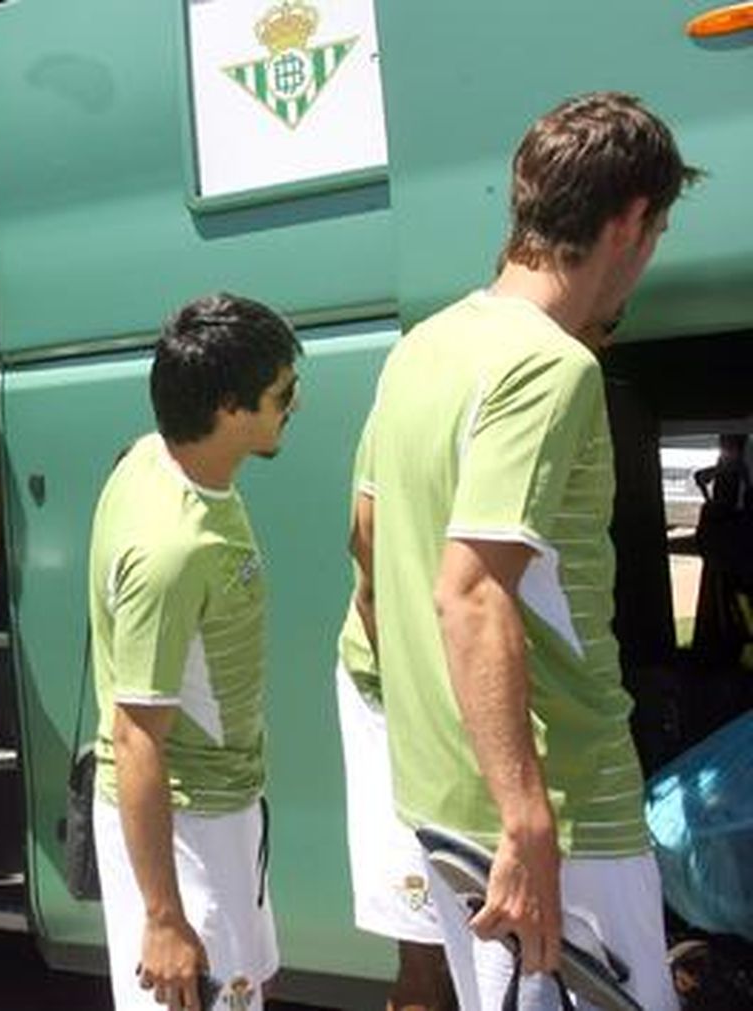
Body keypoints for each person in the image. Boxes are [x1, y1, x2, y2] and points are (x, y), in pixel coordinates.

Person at [355, 92, 699, 1010]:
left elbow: (371, 540)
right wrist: (529, 816)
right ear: (628, 221)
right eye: (657, 229)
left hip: (446, 800)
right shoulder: (553, 365)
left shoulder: (421, 350)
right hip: (560, 809)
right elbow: (472, 592)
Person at [88, 294, 300, 1011]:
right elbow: (134, 733)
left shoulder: (153, 456)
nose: (294, 403)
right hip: (188, 830)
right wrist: (164, 916)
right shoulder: (171, 549)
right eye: (282, 393)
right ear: (228, 407)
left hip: (226, 810)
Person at [334, 426, 455, 1011]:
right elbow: (368, 549)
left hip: (451, 690)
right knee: (425, 945)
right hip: (398, 694)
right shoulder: (416, 386)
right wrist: (417, 703)